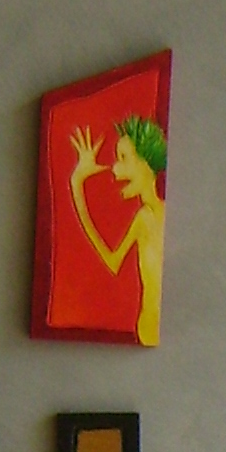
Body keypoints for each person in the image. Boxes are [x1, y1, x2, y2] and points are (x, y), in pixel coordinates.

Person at [66, 112, 167, 345]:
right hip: (146, 328)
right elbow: (113, 262)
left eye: (123, 159)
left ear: (145, 164)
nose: (115, 169)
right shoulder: (144, 217)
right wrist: (76, 185)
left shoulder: (153, 216)